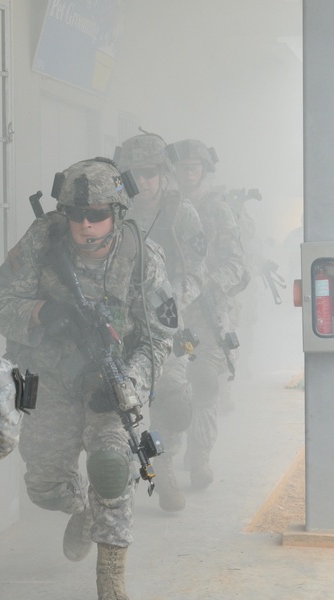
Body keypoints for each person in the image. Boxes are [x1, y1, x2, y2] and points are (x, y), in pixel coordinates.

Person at [0, 157, 176, 600]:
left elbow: (160, 338)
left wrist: (130, 382)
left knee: (112, 469)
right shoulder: (43, 240)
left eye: (97, 215)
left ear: (117, 213)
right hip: (48, 377)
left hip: (109, 382)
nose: (85, 225)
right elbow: (0, 306)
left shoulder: (141, 258)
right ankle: (81, 510)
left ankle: (111, 584)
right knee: (44, 486)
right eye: (76, 215)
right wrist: (41, 314)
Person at [114, 132, 206, 512]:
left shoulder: (182, 213)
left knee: (172, 400)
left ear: (163, 173)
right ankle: (117, 482)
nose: (144, 180)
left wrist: (167, 303)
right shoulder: (111, 211)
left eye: (151, 172)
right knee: (118, 402)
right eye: (136, 173)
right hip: (118, 323)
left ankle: (165, 467)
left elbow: (195, 273)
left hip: (165, 321)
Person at [170, 138, 249, 490]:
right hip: (170, 311)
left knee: (204, 381)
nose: (187, 173)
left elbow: (235, 262)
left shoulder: (218, 210)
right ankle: (165, 461)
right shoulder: (164, 208)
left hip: (208, 311)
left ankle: (199, 455)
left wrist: (206, 286)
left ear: (204, 170)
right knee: (170, 387)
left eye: (193, 167)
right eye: (182, 166)